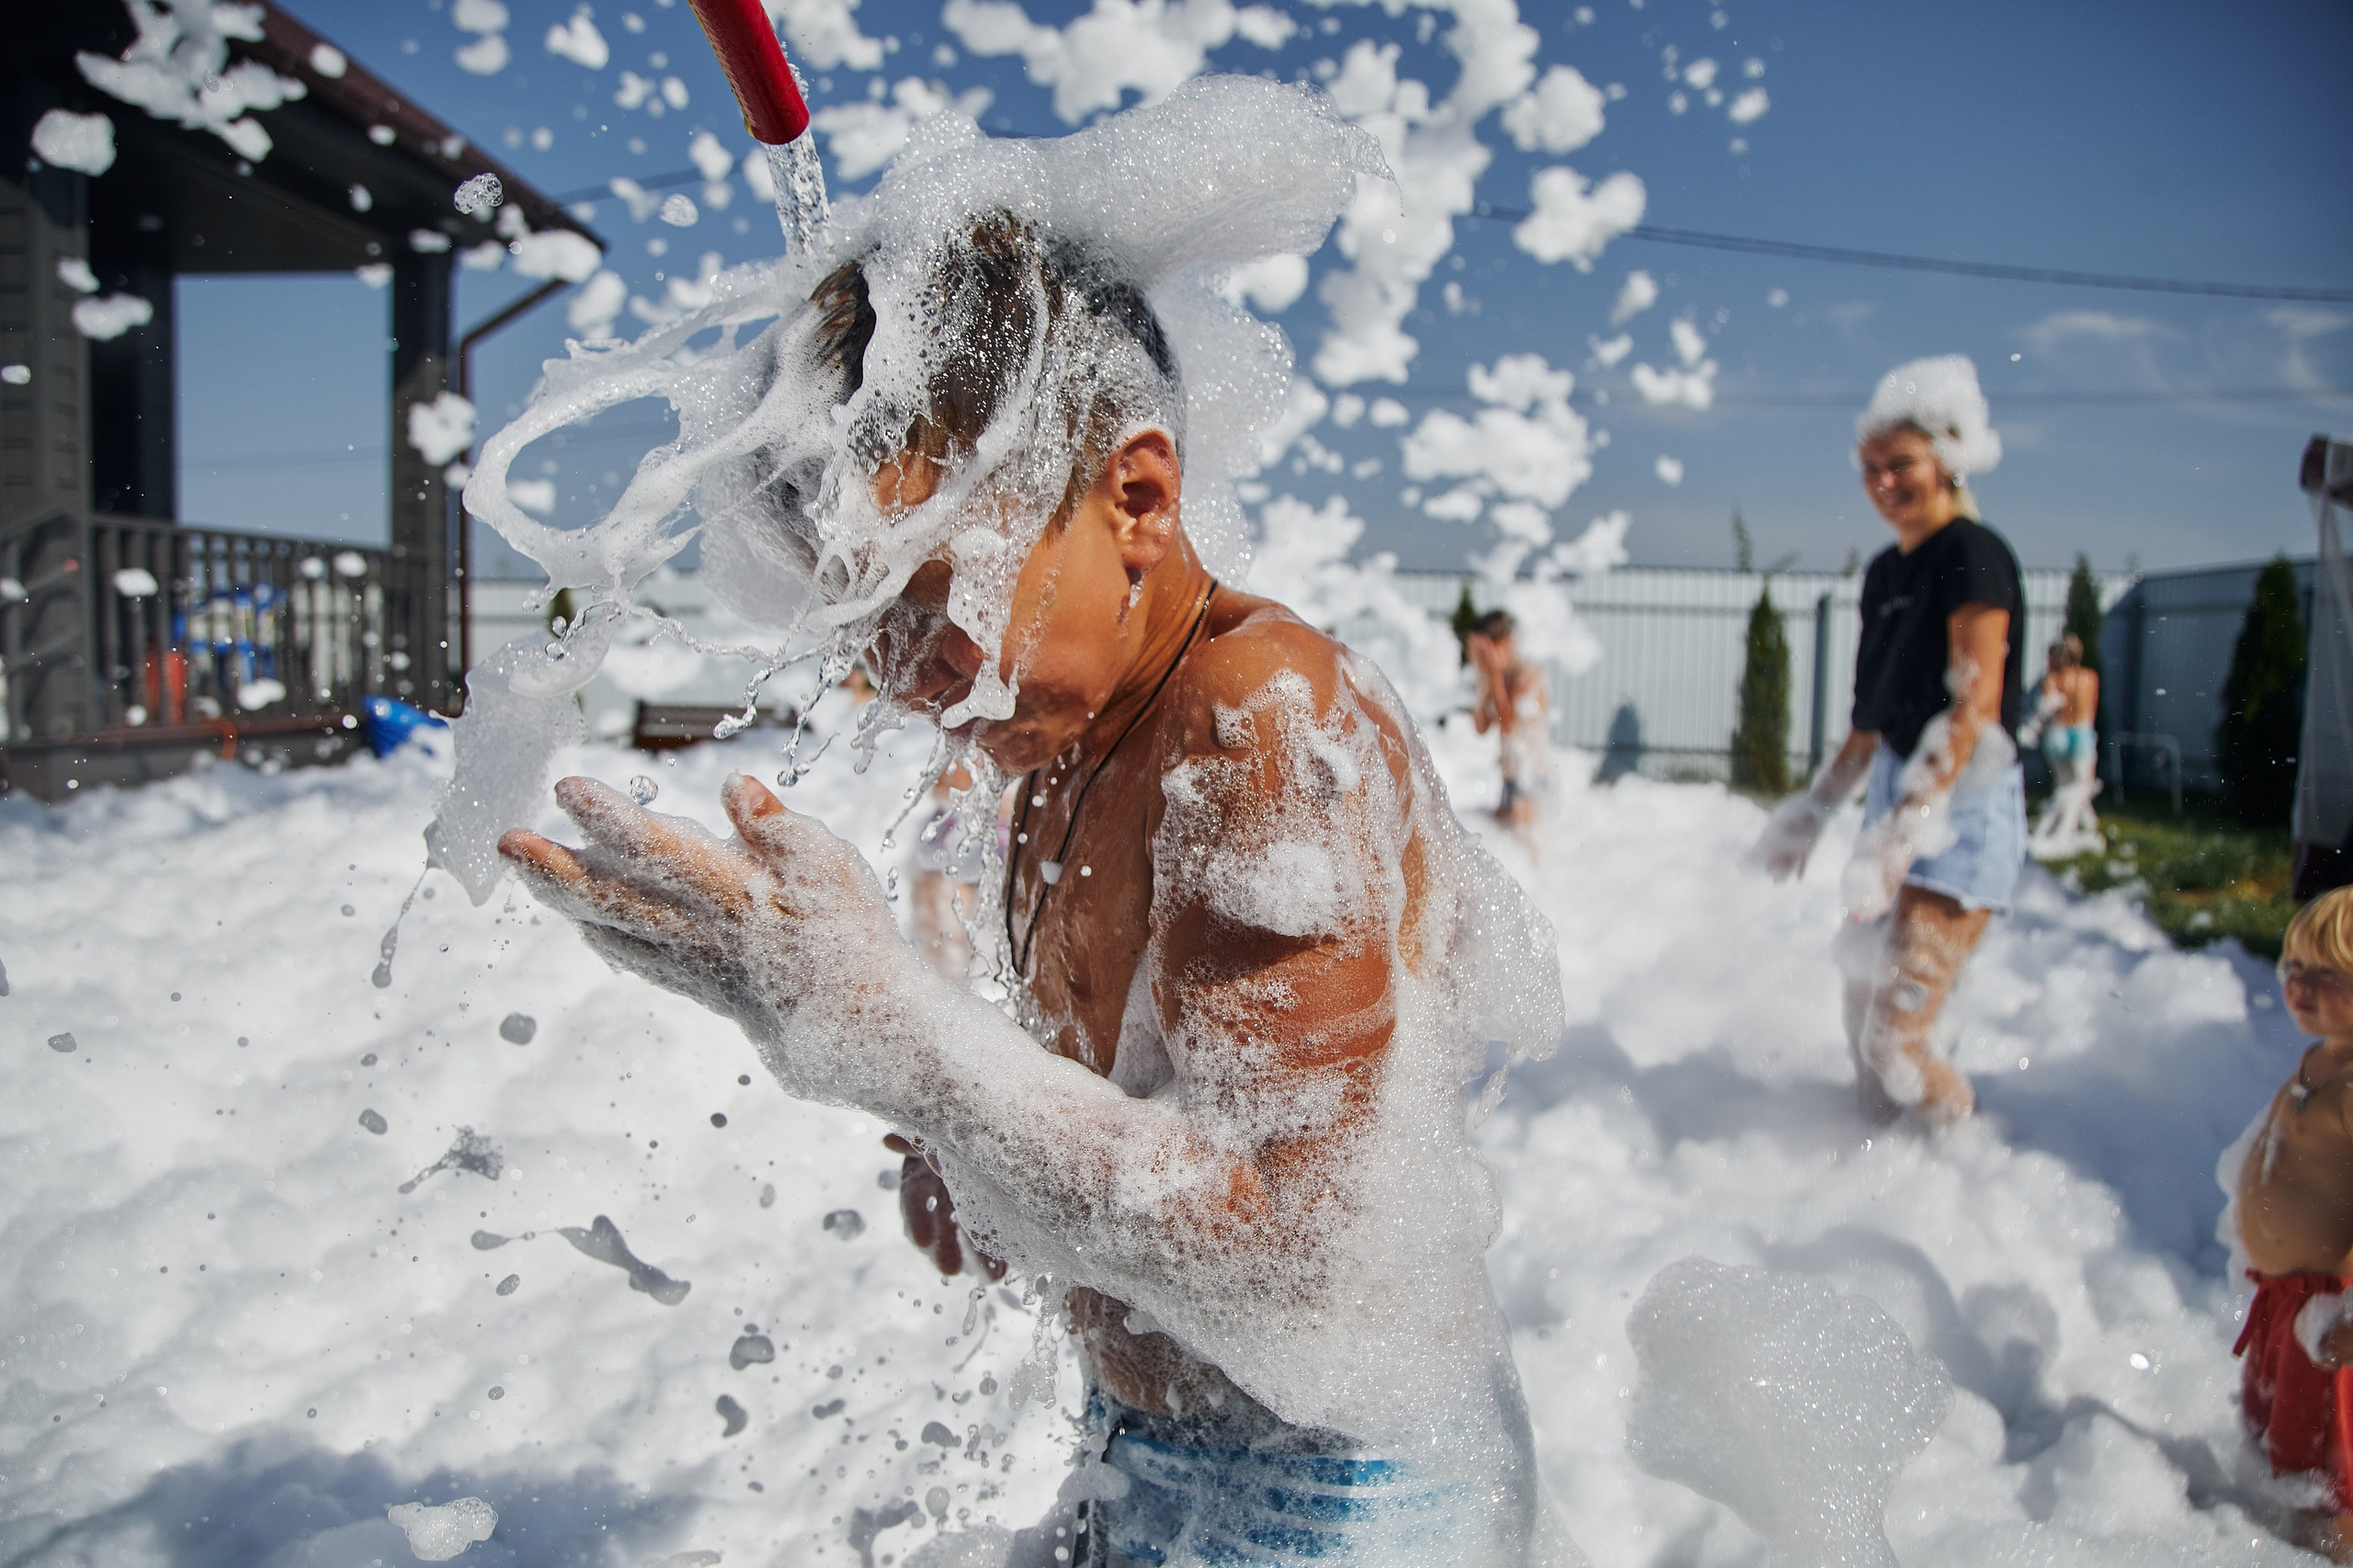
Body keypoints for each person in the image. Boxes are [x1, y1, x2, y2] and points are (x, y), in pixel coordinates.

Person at [499, 205, 1570, 1565]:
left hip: (1337, 1492)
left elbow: (1307, 1271)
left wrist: (894, 1040)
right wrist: (990, 1167)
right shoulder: (1062, 751)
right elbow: (1149, 1150)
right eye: (859, 622)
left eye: (928, 592)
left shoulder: (1256, 708)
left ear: (1136, 498)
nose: (901, 673)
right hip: (1156, 1452)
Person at [1751, 356, 2025, 1128]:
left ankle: (1957, 1167)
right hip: (1899, 794)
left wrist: (1909, 829)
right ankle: (1871, 1159)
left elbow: (1975, 709)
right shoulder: (1881, 573)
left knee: (1897, 1036)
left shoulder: (1973, 554)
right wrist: (1814, 811)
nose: (1882, 483)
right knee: (1860, 999)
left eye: (1899, 464)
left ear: (1945, 458)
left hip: (1962, 803)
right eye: (1870, 469)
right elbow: (1869, 723)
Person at [2229, 886, 2353, 1561]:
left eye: (2324, 974)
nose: (2299, 985)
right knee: (2272, 1444)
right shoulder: (2318, 1060)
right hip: (2284, 1305)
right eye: (2292, 967)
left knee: (2325, 1474)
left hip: (2329, 1318)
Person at [2019, 634, 2102, 857]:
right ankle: (2063, 830)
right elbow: (2091, 712)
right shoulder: (2090, 678)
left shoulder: (2052, 680)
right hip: (2081, 733)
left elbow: (2045, 710)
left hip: (2057, 732)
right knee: (2079, 785)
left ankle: (2071, 826)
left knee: (2065, 784)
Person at [1467, 609, 1550, 828]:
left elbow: (1509, 725)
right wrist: (1484, 680)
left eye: (1481, 652)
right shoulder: (1493, 679)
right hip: (1510, 779)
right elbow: (1481, 728)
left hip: (1531, 780)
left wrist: (1494, 675)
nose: (1474, 657)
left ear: (1501, 644)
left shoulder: (1527, 673)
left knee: (1529, 852)